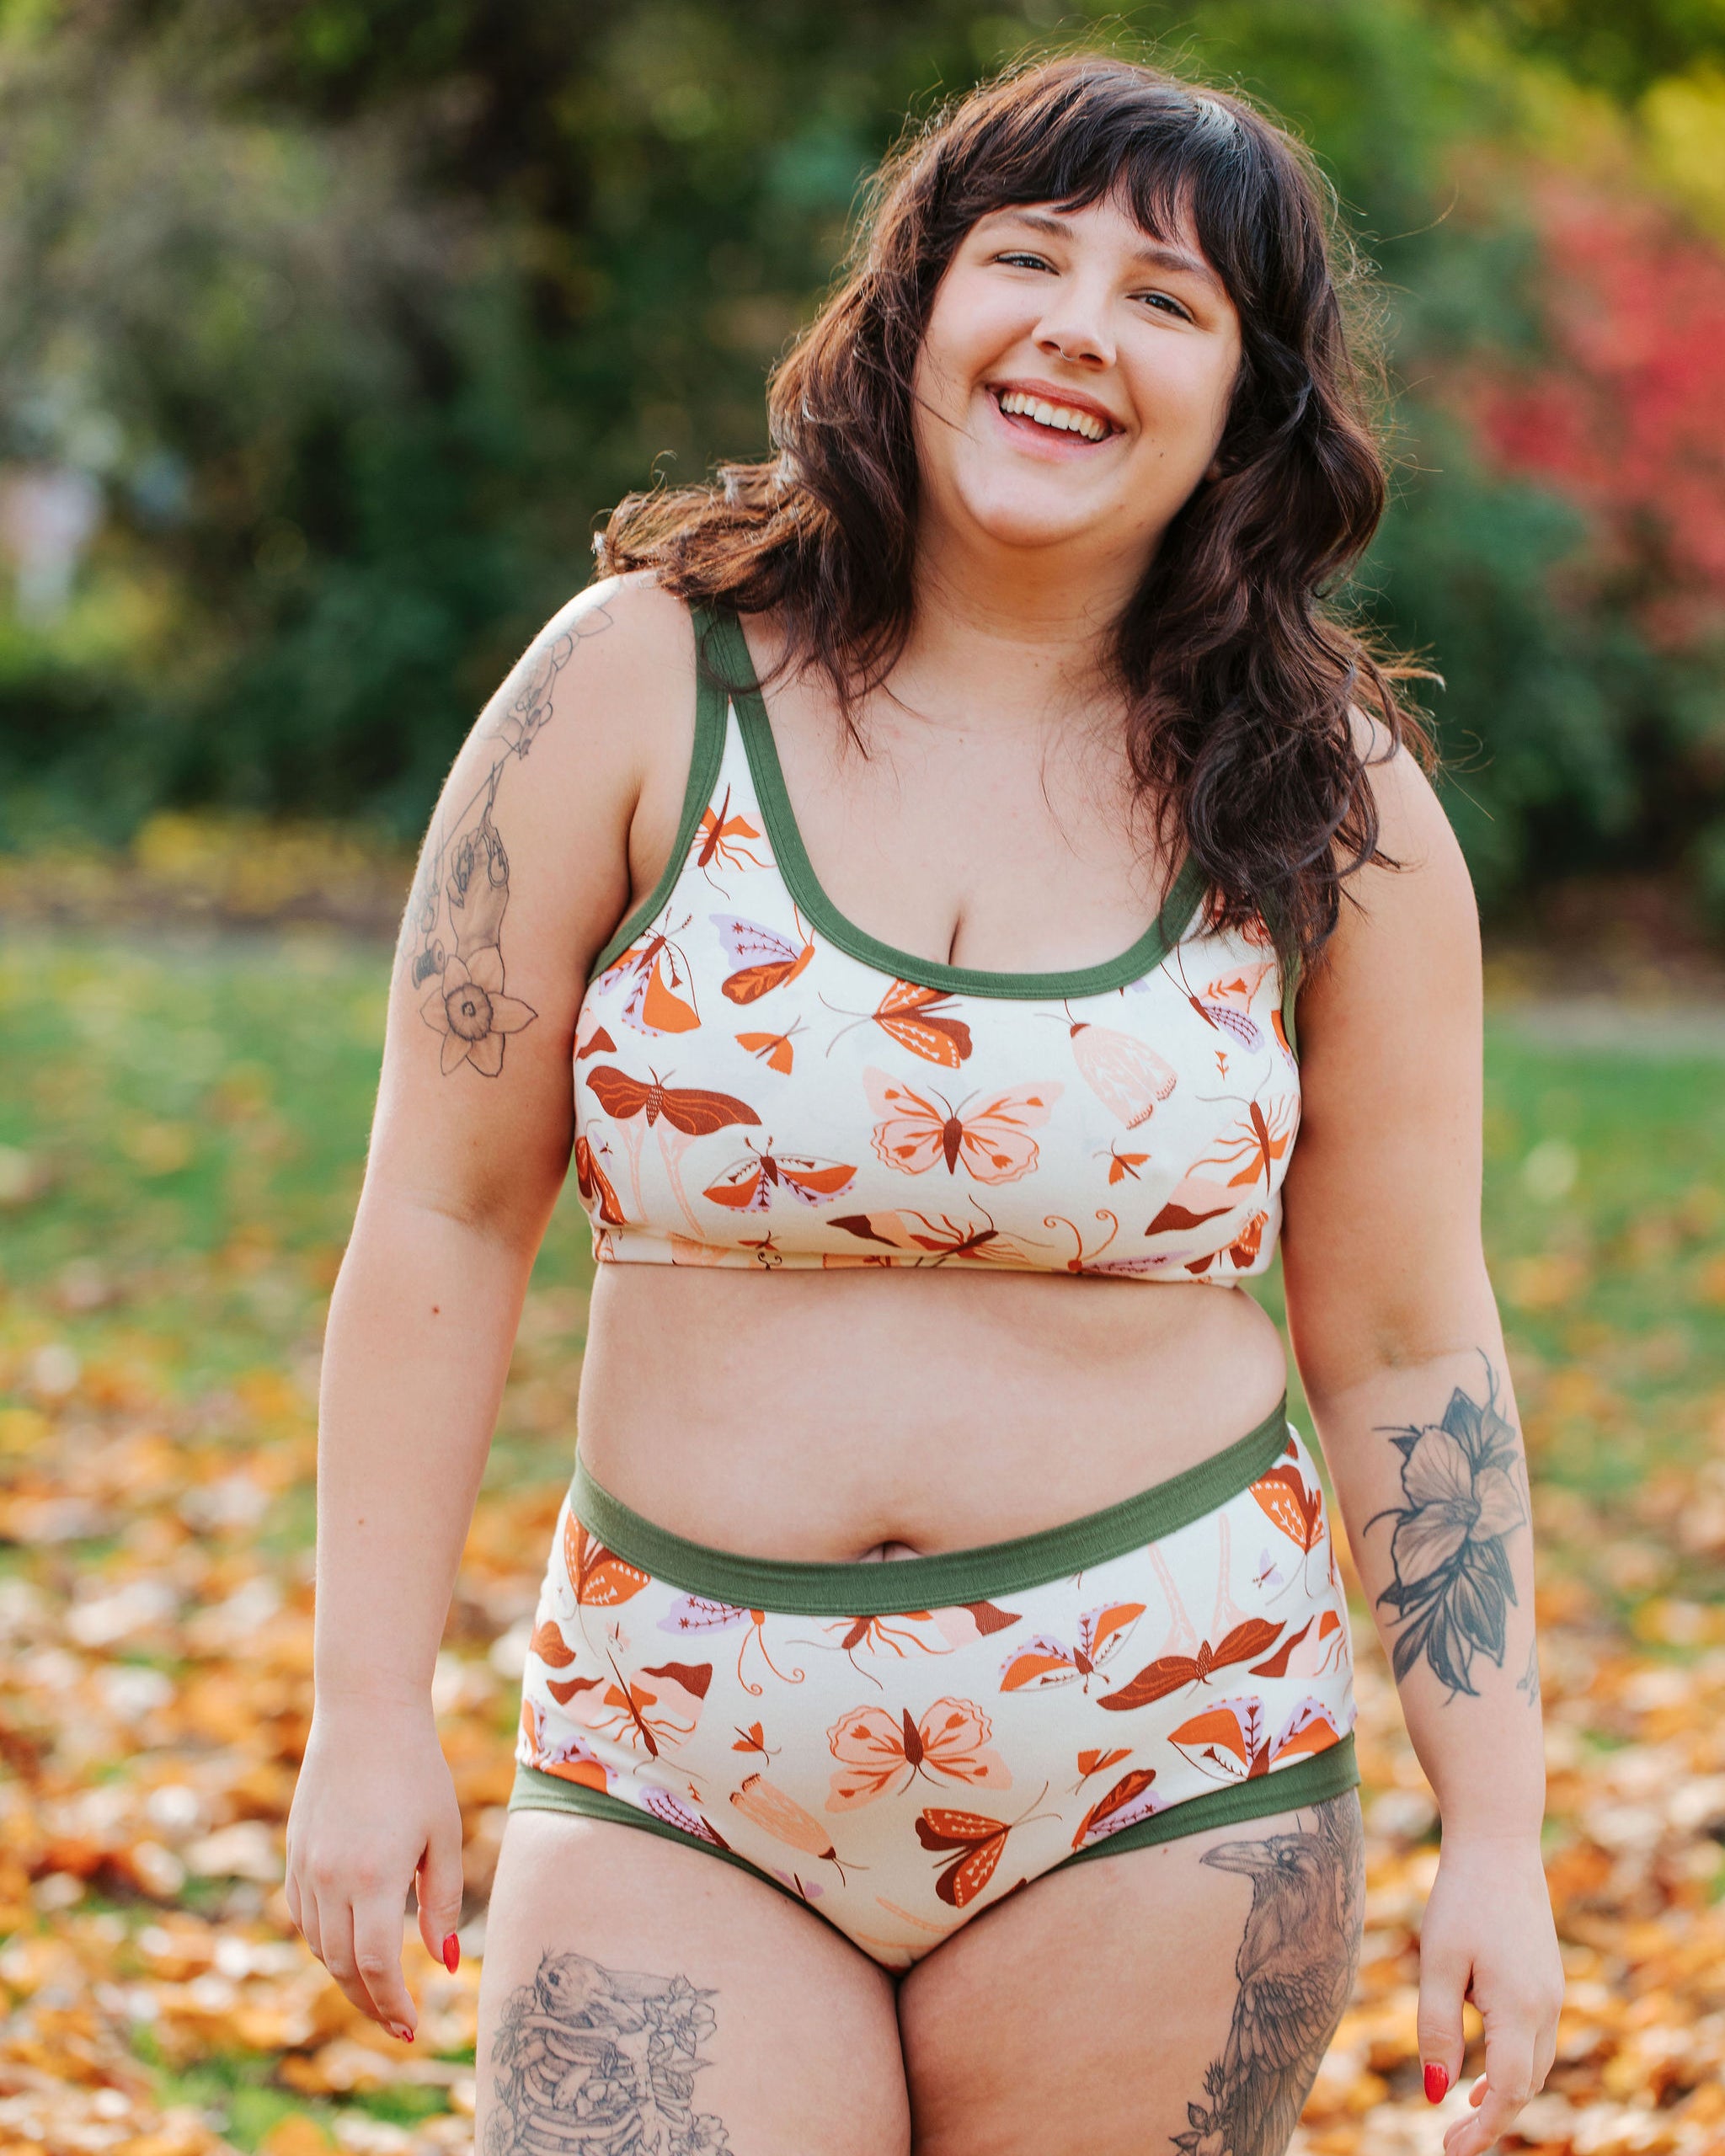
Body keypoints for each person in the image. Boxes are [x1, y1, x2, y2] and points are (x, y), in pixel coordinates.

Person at [285, 54, 1563, 2156]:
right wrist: (363, 1715)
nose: (1077, 329)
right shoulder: (632, 680)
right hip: (675, 1743)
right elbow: (438, 1212)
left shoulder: (1340, 805)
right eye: (1026, 259)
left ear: (1246, 403)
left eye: (1165, 299)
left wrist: (1494, 1830)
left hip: (1168, 1761)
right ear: (918, 304)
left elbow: (1413, 1337)